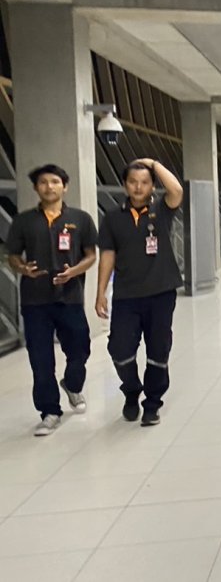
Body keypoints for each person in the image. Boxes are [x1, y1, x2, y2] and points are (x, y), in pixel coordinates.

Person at [7, 164, 97, 437]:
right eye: (43, 182)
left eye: (55, 181)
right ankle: (49, 411)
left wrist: (74, 272)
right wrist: (22, 269)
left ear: (65, 186)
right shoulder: (23, 221)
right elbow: (12, 254)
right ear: (36, 188)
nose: (49, 187)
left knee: (80, 348)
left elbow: (90, 255)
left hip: (69, 298)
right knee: (40, 358)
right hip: (35, 301)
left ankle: (72, 384)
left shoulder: (80, 219)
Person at [96, 158, 184, 427]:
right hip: (126, 295)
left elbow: (177, 190)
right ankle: (132, 390)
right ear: (124, 185)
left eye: (144, 183)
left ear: (152, 186)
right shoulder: (112, 217)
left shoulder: (161, 209)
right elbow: (107, 255)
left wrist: (154, 164)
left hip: (161, 292)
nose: (138, 187)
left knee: (159, 350)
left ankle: (152, 403)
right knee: (119, 349)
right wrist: (100, 292)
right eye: (133, 182)